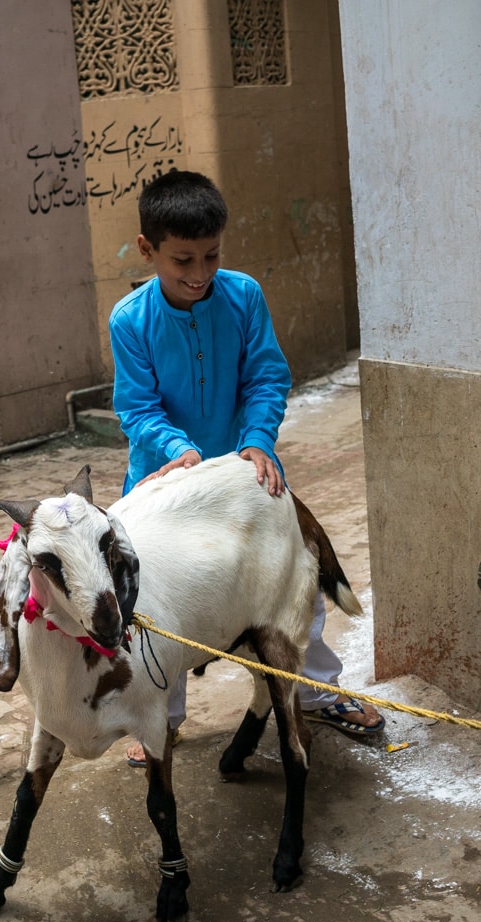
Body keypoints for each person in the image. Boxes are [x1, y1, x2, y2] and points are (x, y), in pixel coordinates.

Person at [110, 169, 383, 766]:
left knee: (292, 589)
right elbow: (136, 407)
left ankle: (315, 693)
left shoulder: (244, 295)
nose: (200, 273)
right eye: (183, 260)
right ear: (147, 249)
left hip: (246, 477)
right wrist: (179, 453)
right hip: (165, 482)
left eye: (211, 255)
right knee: (163, 606)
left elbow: (267, 377)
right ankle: (163, 718)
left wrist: (258, 440)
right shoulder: (129, 320)